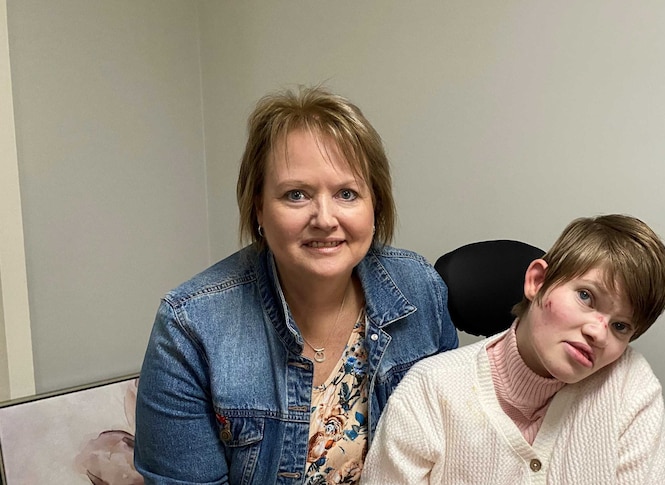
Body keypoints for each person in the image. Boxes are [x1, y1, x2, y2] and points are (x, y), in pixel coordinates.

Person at [134, 86, 459, 484]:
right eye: (296, 194)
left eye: (347, 193)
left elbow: (447, 452)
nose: (324, 218)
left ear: (375, 204)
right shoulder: (190, 326)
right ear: (259, 208)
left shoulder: (420, 289)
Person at [362, 214, 665, 484]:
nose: (598, 332)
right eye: (586, 296)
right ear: (537, 281)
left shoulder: (629, 387)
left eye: (620, 326)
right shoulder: (432, 390)